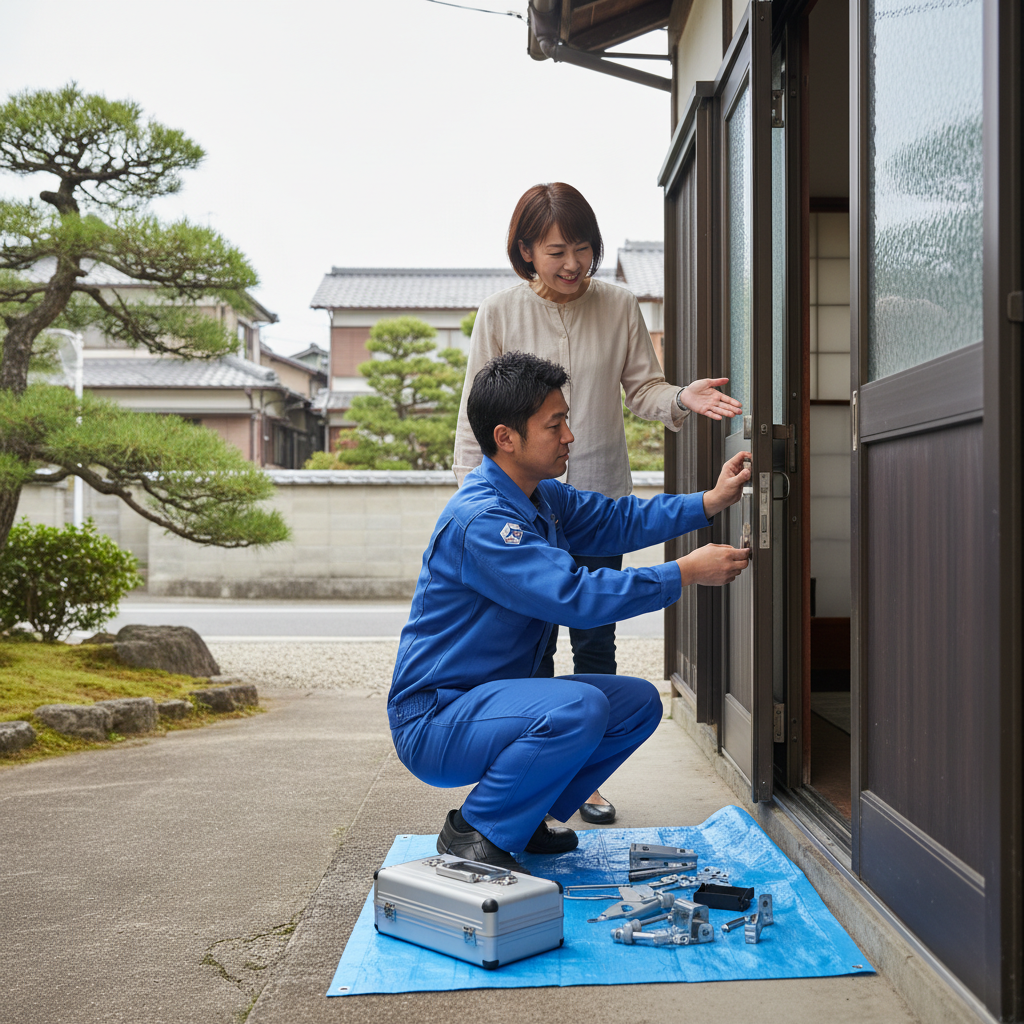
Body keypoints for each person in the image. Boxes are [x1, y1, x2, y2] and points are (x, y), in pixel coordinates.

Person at [389, 352, 750, 872]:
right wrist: (685, 572)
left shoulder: (539, 498)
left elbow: (615, 520)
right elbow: (576, 597)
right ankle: (476, 832)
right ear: (506, 437)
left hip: (490, 704)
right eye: (554, 424)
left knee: (637, 703)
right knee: (577, 706)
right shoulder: (486, 521)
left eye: (566, 421)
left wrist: (709, 502)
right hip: (437, 719)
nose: (569, 437)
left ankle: (525, 815)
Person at [453, 182, 743, 824]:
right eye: (558, 250)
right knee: (531, 641)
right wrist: (475, 504)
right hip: (522, 505)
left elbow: (644, 388)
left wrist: (680, 398)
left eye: (583, 249)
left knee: (596, 640)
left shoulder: (616, 305)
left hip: (596, 496)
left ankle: (584, 779)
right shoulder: (499, 312)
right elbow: (479, 415)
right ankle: (535, 764)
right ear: (526, 249)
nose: (574, 264)